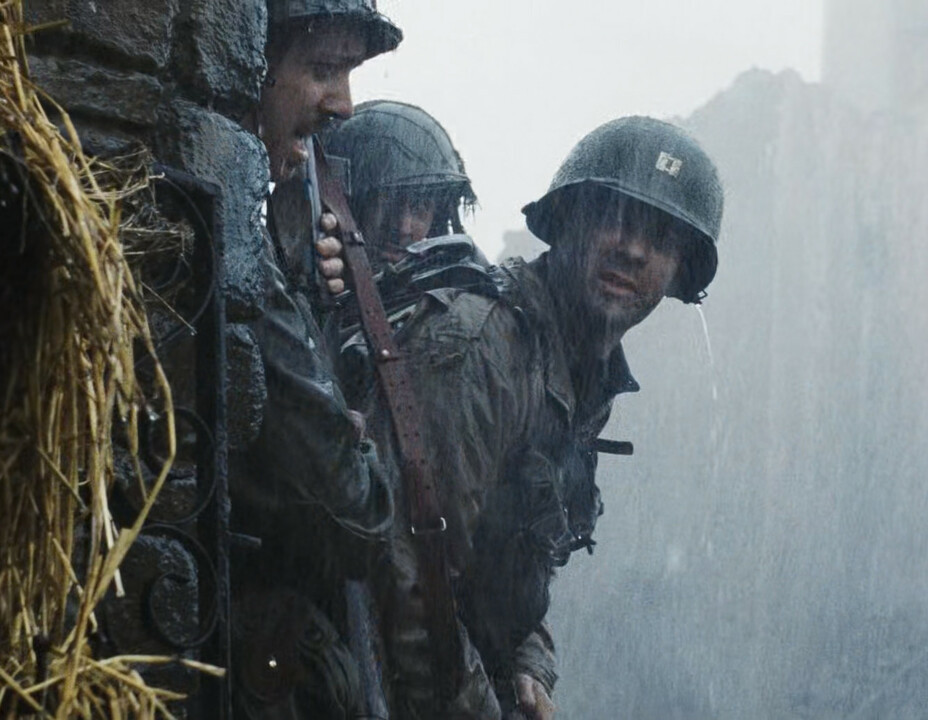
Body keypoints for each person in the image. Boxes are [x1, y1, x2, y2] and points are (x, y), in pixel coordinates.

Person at [374, 116, 724, 719]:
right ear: (567, 222)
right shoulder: (482, 348)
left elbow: (509, 561)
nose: (633, 249)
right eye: (615, 218)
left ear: (678, 274)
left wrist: (531, 659)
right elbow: (407, 580)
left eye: (661, 239)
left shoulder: (580, 370)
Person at [229, 3, 402, 718]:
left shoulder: (260, 228)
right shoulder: (235, 240)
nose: (344, 103)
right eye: (323, 69)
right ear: (247, 66)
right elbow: (361, 510)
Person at [319, 100, 483, 410]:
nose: (403, 227)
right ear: (353, 203)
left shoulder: (450, 306)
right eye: (389, 203)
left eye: (420, 208)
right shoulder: (309, 290)